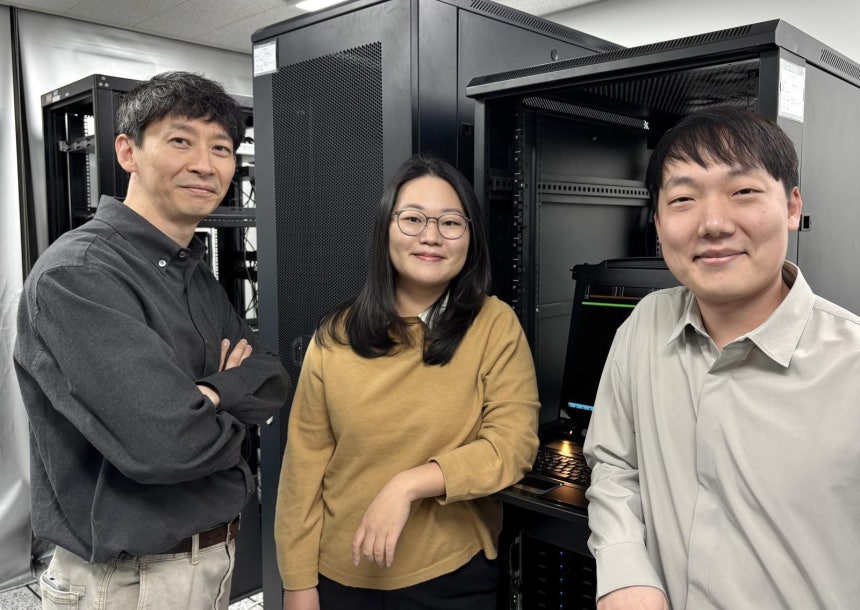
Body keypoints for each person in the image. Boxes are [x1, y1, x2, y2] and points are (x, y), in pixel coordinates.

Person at [14, 71, 290, 609]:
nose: (205, 164)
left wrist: (209, 395)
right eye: (181, 140)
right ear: (128, 152)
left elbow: (272, 377)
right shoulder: (80, 275)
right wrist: (230, 400)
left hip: (208, 561)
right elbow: (168, 446)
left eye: (222, 148)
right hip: (128, 582)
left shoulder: (191, 271)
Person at [583, 107, 860, 609]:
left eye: (743, 192)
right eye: (683, 199)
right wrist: (624, 567)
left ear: (792, 206)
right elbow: (615, 463)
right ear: (659, 222)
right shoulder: (645, 326)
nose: (712, 224)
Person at [274, 154, 540, 609]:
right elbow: (303, 468)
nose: (431, 236)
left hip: (449, 576)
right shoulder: (335, 334)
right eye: (413, 219)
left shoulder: (494, 325)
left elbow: (513, 446)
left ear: (471, 237)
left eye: (450, 223)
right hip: (338, 576)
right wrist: (297, 582)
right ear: (386, 229)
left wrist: (409, 484)